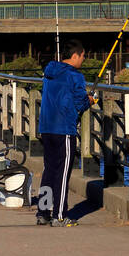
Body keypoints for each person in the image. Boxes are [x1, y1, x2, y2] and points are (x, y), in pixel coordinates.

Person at [36, 38, 94, 227]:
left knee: (49, 170)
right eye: (83, 56)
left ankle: (43, 212)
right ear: (75, 55)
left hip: (46, 127)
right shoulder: (75, 76)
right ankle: (59, 215)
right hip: (65, 130)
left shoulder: (50, 71)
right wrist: (90, 101)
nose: (84, 60)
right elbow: (80, 103)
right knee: (62, 173)